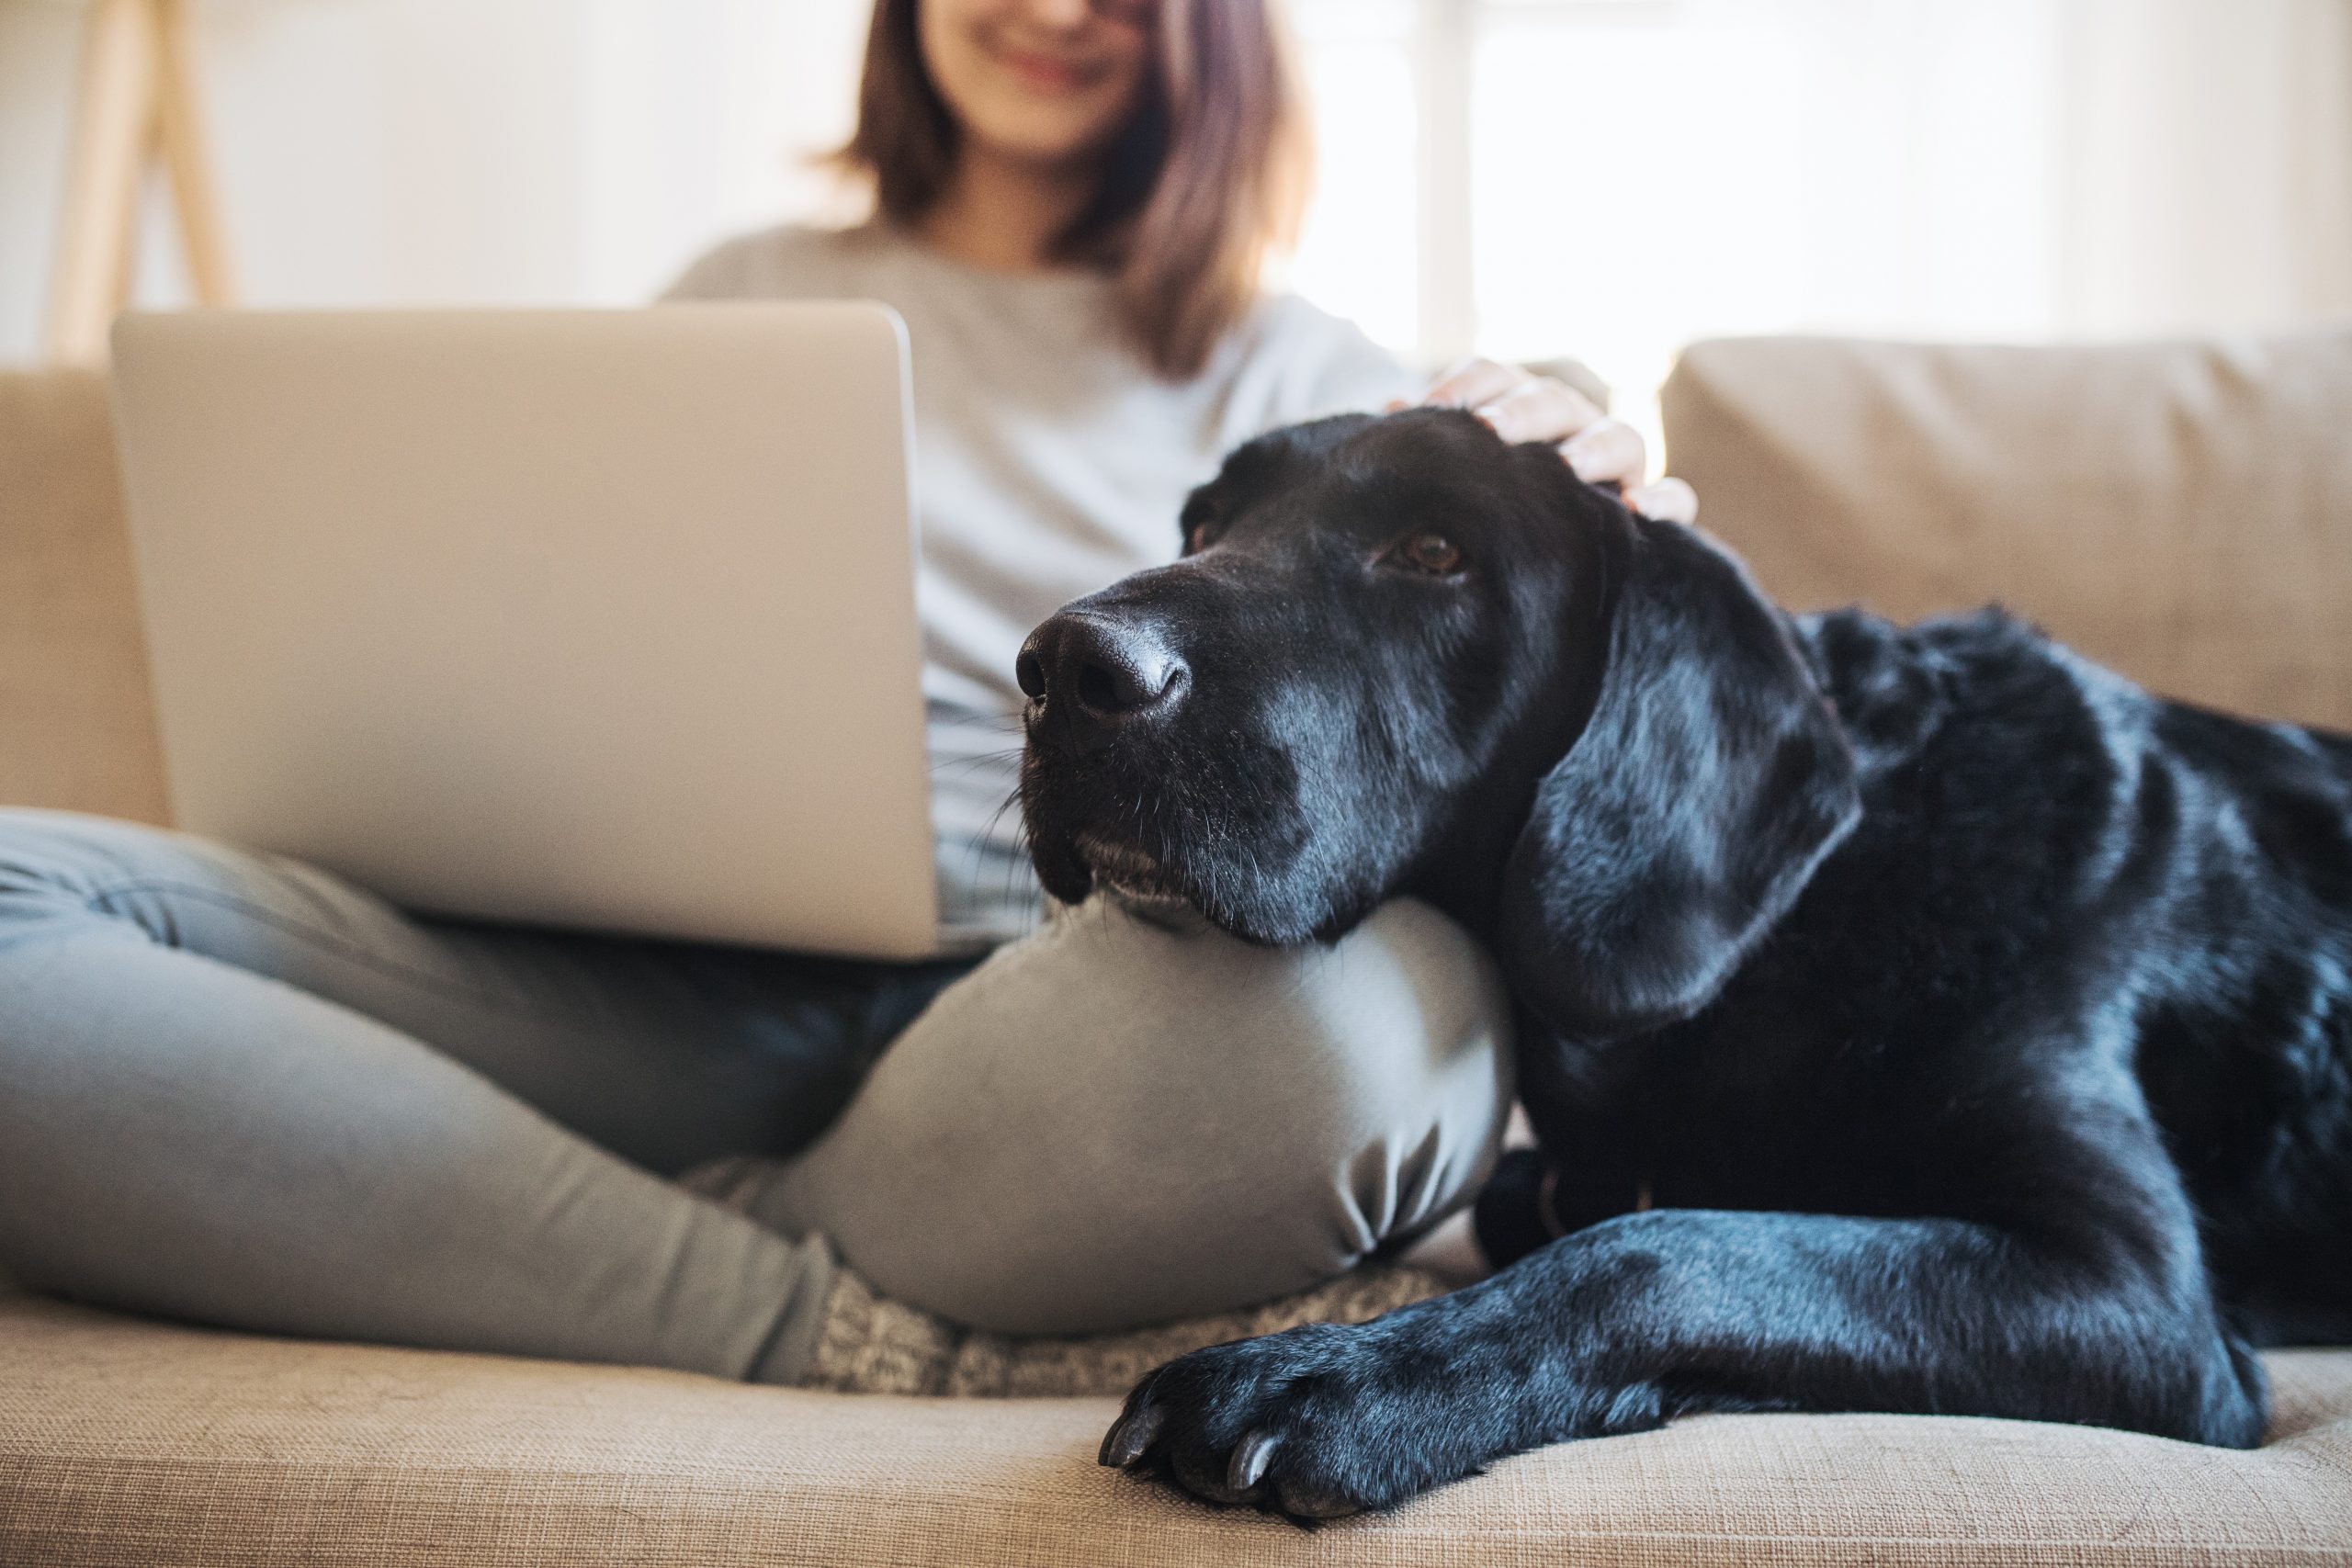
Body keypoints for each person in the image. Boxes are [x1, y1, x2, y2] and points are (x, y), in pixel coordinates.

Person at [0, 0, 1694, 1383]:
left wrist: (1608, 496)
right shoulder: (742, 294)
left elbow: (1525, 639)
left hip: (1059, 1010)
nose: (1049, 10)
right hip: (648, 977)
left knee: (1375, 1035)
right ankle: (818, 1318)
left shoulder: (1308, 375)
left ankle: (536, 1218)